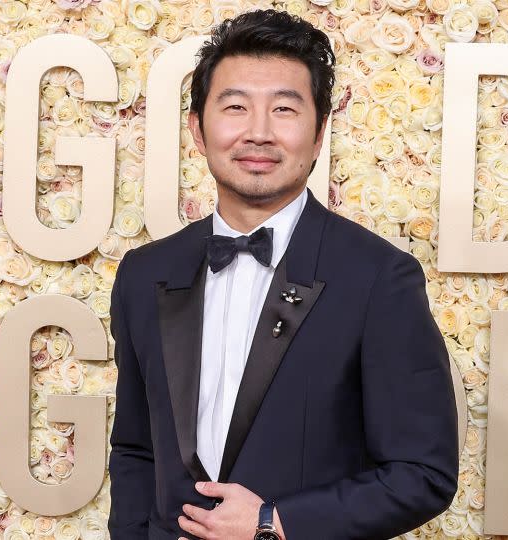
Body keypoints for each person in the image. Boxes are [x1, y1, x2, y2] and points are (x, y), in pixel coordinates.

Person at [106, 9, 458, 540]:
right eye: (235, 107)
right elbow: (135, 447)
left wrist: (276, 522)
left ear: (318, 135)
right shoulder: (144, 273)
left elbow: (423, 475)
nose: (259, 132)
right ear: (198, 130)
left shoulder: (379, 278)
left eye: (285, 109)